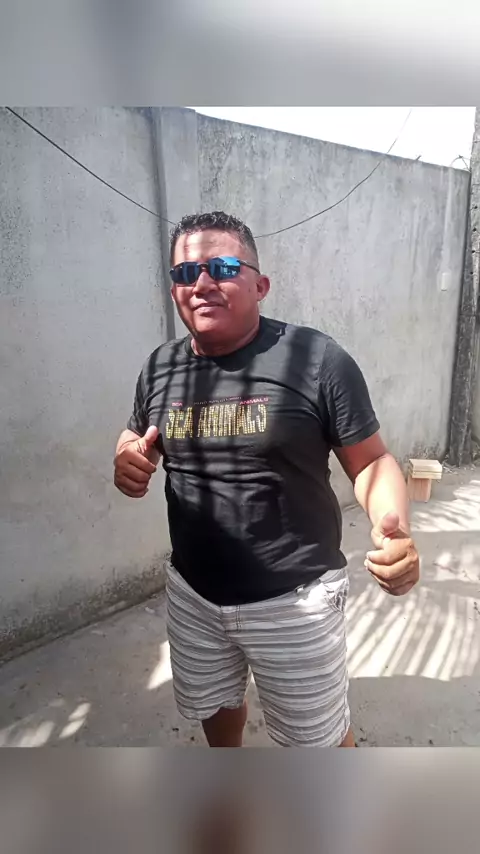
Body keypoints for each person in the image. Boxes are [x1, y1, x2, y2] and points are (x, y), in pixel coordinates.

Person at [114, 210, 420, 748]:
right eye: (185, 273)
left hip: (294, 601)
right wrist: (126, 457)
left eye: (222, 268)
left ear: (260, 285)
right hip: (193, 593)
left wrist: (394, 529)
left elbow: (371, 461)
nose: (202, 284)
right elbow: (137, 433)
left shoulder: (316, 360)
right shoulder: (159, 367)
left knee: (317, 742)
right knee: (215, 704)